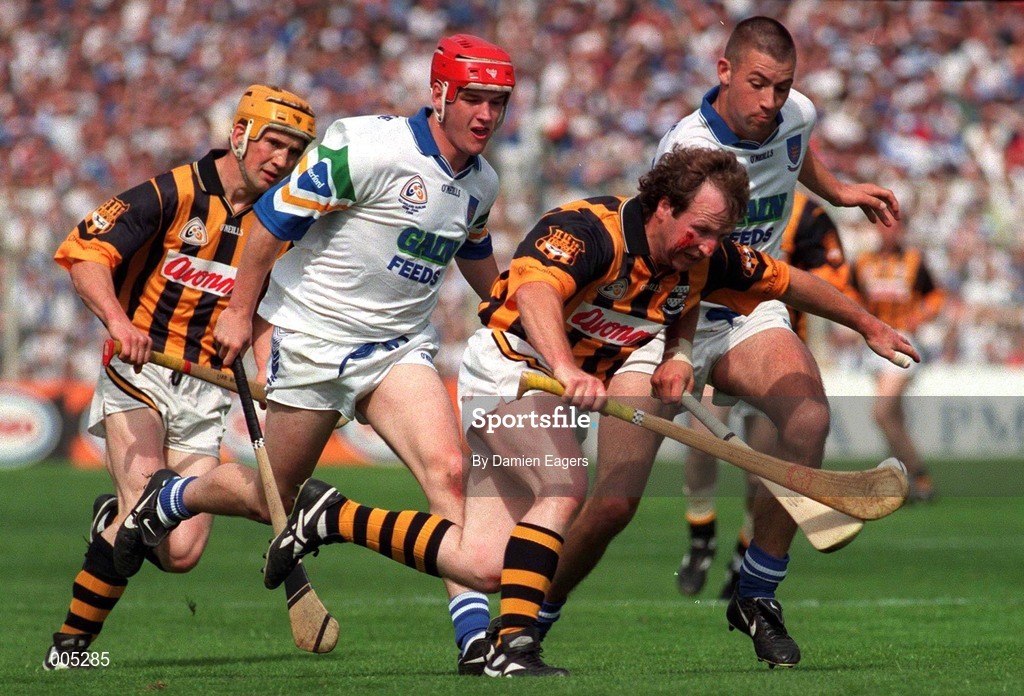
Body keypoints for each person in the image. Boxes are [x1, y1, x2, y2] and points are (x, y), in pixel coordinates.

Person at [257, 144, 914, 678]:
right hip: (512, 372)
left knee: (485, 561)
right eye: (699, 230)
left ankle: (329, 516)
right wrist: (567, 368)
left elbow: (782, 279)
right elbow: (538, 293)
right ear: (662, 206)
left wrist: (864, 324)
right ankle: (512, 647)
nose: (708, 246)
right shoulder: (588, 231)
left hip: (562, 381)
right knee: (566, 484)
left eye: (718, 236)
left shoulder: (699, 253)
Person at [111, 34, 516, 676]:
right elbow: (272, 221)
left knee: (448, 471)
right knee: (271, 496)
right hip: (312, 342)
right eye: (473, 98)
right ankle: (170, 497)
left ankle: (473, 642)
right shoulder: (365, 145)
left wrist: (509, 309)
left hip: (399, 348)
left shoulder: (484, 180)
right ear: (439, 94)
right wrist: (241, 313)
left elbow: (471, 249)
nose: (487, 115)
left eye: (499, 102)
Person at [535, 16, 903, 669]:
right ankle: (529, 620)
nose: (770, 101)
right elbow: (670, 266)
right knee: (613, 506)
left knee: (808, 416)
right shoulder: (688, 151)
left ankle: (757, 595)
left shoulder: (795, 113)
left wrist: (840, 192)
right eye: (757, 84)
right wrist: (677, 354)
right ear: (723, 70)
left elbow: (797, 146)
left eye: (782, 86)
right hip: (655, 317)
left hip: (741, 308)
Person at [44, 84, 316, 670]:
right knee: (145, 495)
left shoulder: (281, 221)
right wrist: (120, 322)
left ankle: (109, 522)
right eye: (274, 142)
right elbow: (85, 253)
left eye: (295, 151)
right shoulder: (173, 191)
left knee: (181, 552)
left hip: (209, 387)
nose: (282, 160)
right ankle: (69, 652)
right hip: (141, 368)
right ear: (239, 135)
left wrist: (274, 374)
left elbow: (267, 307)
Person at [676, 190, 861, 600]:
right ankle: (700, 534)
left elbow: (834, 279)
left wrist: (778, 275)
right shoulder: (715, 201)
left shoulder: (808, 214)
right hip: (717, 334)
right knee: (704, 444)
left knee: (760, 469)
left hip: (776, 347)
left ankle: (744, 554)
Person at [851, 215, 944, 502]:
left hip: (903, 340)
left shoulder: (914, 261)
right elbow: (850, 292)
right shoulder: (864, 261)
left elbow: (936, 296)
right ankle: (901, 485)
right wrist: (859, 319)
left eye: (893, 227)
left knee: (882, 412)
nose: (887, 233)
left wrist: (918, 317)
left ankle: (919, 475)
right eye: (882, 226)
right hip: (876, 340)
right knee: (894, 417)